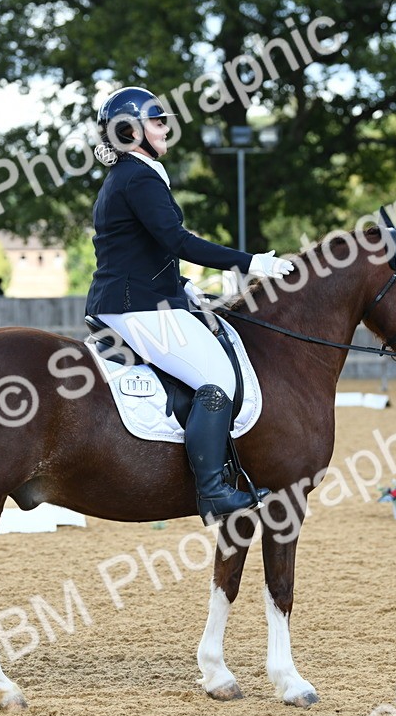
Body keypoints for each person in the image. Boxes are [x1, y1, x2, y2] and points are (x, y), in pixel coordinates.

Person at [86, 86, 296, 524]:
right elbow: (178, 241)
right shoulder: (138, 177)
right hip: (137, 308)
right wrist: (251, 262)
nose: (165, 126)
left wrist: (181, 287)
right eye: (156, 120)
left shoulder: (131, 176)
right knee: (217, 379)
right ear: (130, 130)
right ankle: (214, 492)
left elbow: (139, 251)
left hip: (141, 299)